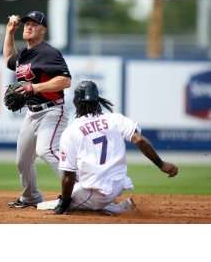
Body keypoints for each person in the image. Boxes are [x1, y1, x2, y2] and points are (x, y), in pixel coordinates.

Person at [47, 80, 178, 215]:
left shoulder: (71, 131)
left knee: (62, 203)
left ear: (75, 102)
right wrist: (161, 164)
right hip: (119, 184)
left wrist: (64, 205)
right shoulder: (115, 119)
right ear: (98, 99)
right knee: (76, 187)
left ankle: (119, 208)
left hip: (98, 192)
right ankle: (108, 204)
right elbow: (140, 140)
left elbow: (68, 176)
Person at [3, 11, 71, 208]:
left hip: (52, 111)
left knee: (46, 149)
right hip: (32, 113)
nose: (28, 27)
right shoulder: (24, 54)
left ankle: (81, 189)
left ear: (44, 30)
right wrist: (9, 32)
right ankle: (31, 197)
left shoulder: (49, 53)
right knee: (22, 161)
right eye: (26, 24)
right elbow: (8, 59)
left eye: (34, 24)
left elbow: (65, 81)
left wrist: (35, 87)